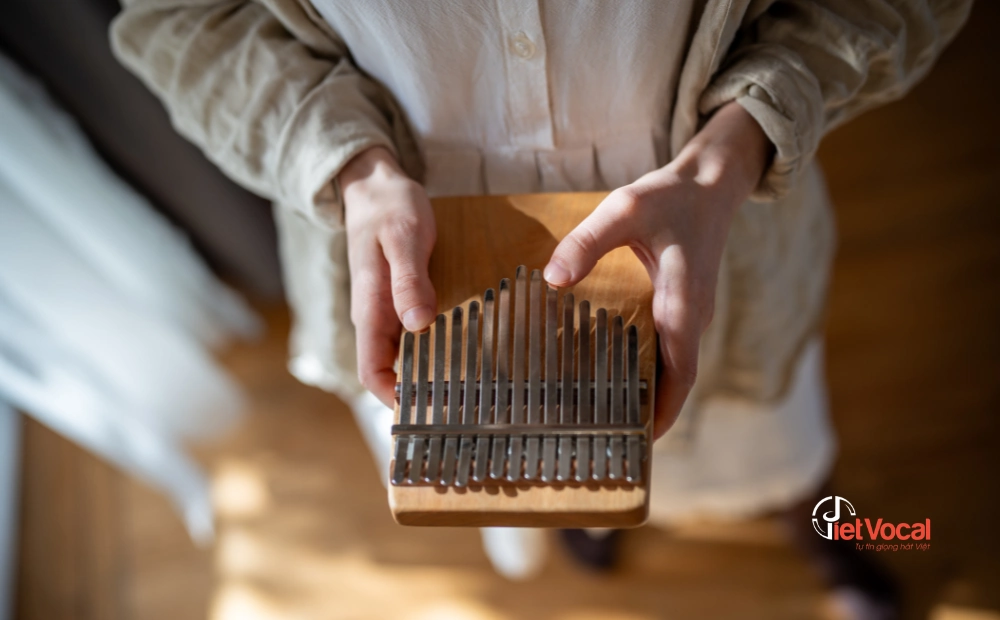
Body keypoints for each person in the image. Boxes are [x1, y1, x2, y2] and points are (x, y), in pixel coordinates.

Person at [111, 0, 969, 615]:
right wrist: (348, 166)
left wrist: (736, 149)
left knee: (767, 428)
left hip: (713, 215)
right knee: (536, 469)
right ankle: (576, 515)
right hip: (424, 265)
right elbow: (181, 19)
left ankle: (811, 521)